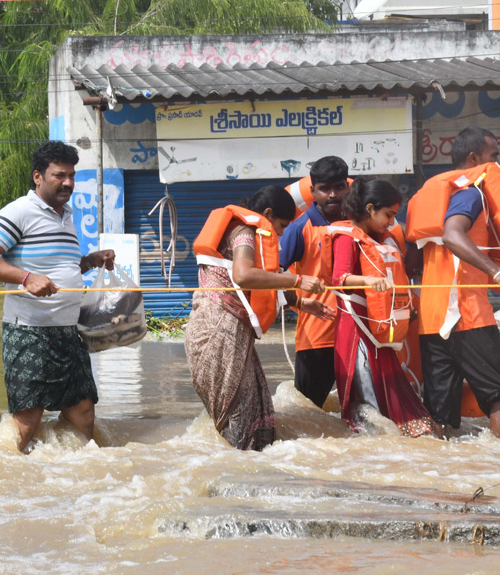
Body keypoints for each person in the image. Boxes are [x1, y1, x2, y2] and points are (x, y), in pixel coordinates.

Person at [0, 140, 114, 452]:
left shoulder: (67, 215)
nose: (69, 183)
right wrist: (25, 277)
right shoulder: (19, 211)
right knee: (27, 421)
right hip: (28, 332)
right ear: (38, 177)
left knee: (83, 412)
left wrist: (89, 261)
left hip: (68, 332)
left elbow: (59, 266)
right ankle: (6, 475)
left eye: (72, 175)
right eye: (59, 175)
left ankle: (70, 478)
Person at [185, 186, 326, 450]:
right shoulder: (244, 232)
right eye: (282, 226)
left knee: (252, 411)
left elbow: (254, 287)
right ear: (268, 214)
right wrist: (298, 279)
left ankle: (249, 476)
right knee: (237, 419)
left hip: (230, 333)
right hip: (218, 333)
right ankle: (233, 481)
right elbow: (243, 275)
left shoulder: (247, 233)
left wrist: (301, 302)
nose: (282, 233)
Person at [416, 127, 500, 438]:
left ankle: (445, 477)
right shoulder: (471, 192)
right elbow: (453, 235)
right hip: (467, 315)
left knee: (440, 412)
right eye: (494, 158)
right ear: (474, 158)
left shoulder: (430, 197)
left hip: (431, 321)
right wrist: (497, 271)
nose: (498, 165)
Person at [331, 179, 440, 438]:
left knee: (391, 388)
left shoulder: (380, 239)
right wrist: (368, 281)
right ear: (369, 209)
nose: (392, 223)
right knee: (369, 392)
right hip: (358, 329)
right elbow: (339, 278)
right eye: (388, 215)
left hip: (381, 328)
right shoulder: (347, 238)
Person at [278, 156, 349, 407]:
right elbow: (273, 275)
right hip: (318, 335)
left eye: (338, 187)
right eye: (325, 188)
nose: (332, 194)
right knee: (307, 412)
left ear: (347, 187)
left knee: (364, 415)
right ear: (312, 191)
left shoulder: (359, 223)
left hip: (359, 333)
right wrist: (296, 301)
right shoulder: (299, 228)